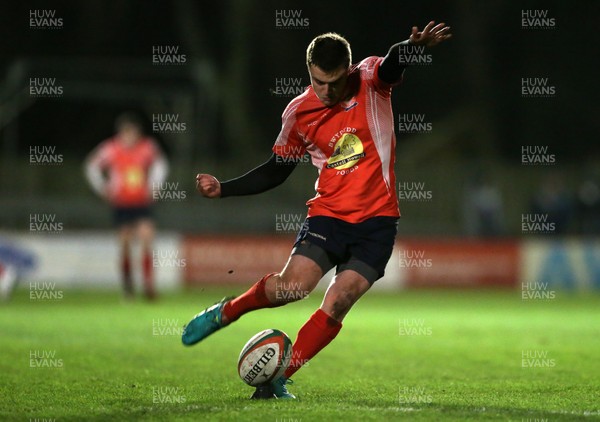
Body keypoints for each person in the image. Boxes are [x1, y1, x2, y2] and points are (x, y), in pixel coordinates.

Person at [182, 22, 452, 399]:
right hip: (328, 216)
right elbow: (277, 170)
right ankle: (228, 311)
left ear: (349, 68)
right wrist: (223, 189)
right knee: (291, 289)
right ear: (309, 72)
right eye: (318, 82)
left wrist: (411, 46)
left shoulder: (371, 80)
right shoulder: (298, 113)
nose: (327, 91)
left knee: (339, 300)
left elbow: (393, 63)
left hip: (378, 222)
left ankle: (277, 380)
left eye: (335, 81)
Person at [84, 112, 168, 300]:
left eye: (133, 133)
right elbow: (91, 166)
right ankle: (128, 286)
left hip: (141, 203)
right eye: (126, 132)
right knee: (125, 245)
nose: (129, 136)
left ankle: (149, 286)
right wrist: (102, 188)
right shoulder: (110, 149)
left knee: (147, 237)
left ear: (138, 133)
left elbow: (161, 165)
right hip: (121, 203)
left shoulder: (147, 147)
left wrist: (155, 187)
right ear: (121, 133)